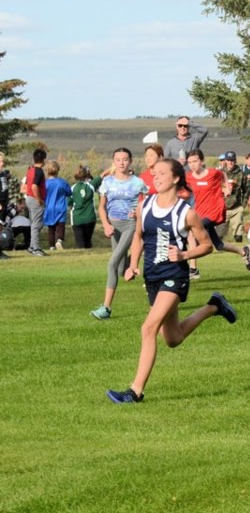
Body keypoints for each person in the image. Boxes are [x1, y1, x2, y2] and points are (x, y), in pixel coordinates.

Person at [106, 158, 237, 404]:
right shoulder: (145, 204)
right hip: (152, 276)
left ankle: (134, 392)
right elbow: (139, 237)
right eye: (154, 173)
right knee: (173, 338)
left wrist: (185, 254)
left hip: (174, 276)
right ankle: (215, 306)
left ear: (176, 178)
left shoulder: (186, 213)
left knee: (148, 328)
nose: (156, 177)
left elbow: (207, 245)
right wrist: (133, 265)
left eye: (162, 173)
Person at [91, 148, 147, 320]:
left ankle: (106, 308)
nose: (121, 162)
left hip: (130, 225)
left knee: (112, 263)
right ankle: (135, 259)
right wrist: (106, 224)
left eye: (125, 159)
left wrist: (138, 212)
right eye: (118, 159)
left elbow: (146, 203)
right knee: (121, 269)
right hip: (113, 226)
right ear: (113, 162)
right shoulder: (107, 182)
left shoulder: (138, 183)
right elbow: (101, 206)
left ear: (130, 161)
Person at [185, 149, 250, 277]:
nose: (192, 164)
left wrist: (226, 188)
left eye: (195, 161)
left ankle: (193, 269)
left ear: (202, 161)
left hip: (214, 211)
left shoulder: (213, 173)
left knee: (191, 231)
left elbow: (223, 174)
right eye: (190, 162)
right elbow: (184, 188)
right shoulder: (189, 176)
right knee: (219, 245)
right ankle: (244, 252)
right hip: (200, 212)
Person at [69, 165, 100, 249]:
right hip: (90, 217)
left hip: (77, 218)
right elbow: (100, 178)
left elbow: (69, 202)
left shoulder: (72, 188)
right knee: (88, 241)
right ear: (87, 175)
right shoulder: (90, 185)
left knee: (80, 243)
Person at [42, 161, 71, 251]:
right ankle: (59, 240)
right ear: (57, 170)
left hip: (49, 208)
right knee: (60, 226)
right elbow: (69, 192)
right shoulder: (62, 182)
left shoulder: (45, 184)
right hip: (60, 207)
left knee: (51, 228)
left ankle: (51, 246)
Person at [219, 151, 247, 243]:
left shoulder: (241, 174)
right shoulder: (219, 173)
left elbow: (246, 190)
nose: (230, 162)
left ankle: (240, 252)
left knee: (238, 236)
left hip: (236, 208)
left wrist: (243, 206)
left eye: (232, 160)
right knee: (219, 235)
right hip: (223, 208)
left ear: (235, 161)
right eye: (228, 160)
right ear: (225, 161)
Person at [24, 148, 47, 257]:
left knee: (34, 223)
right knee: (36, 225)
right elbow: (34, 186)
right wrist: (39, 199)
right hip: (34, 199)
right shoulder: (39, 172)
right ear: (43, 160)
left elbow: (26, 185)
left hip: (28, 198)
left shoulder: (30, 169)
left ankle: (31, 246)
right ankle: (36, 248)